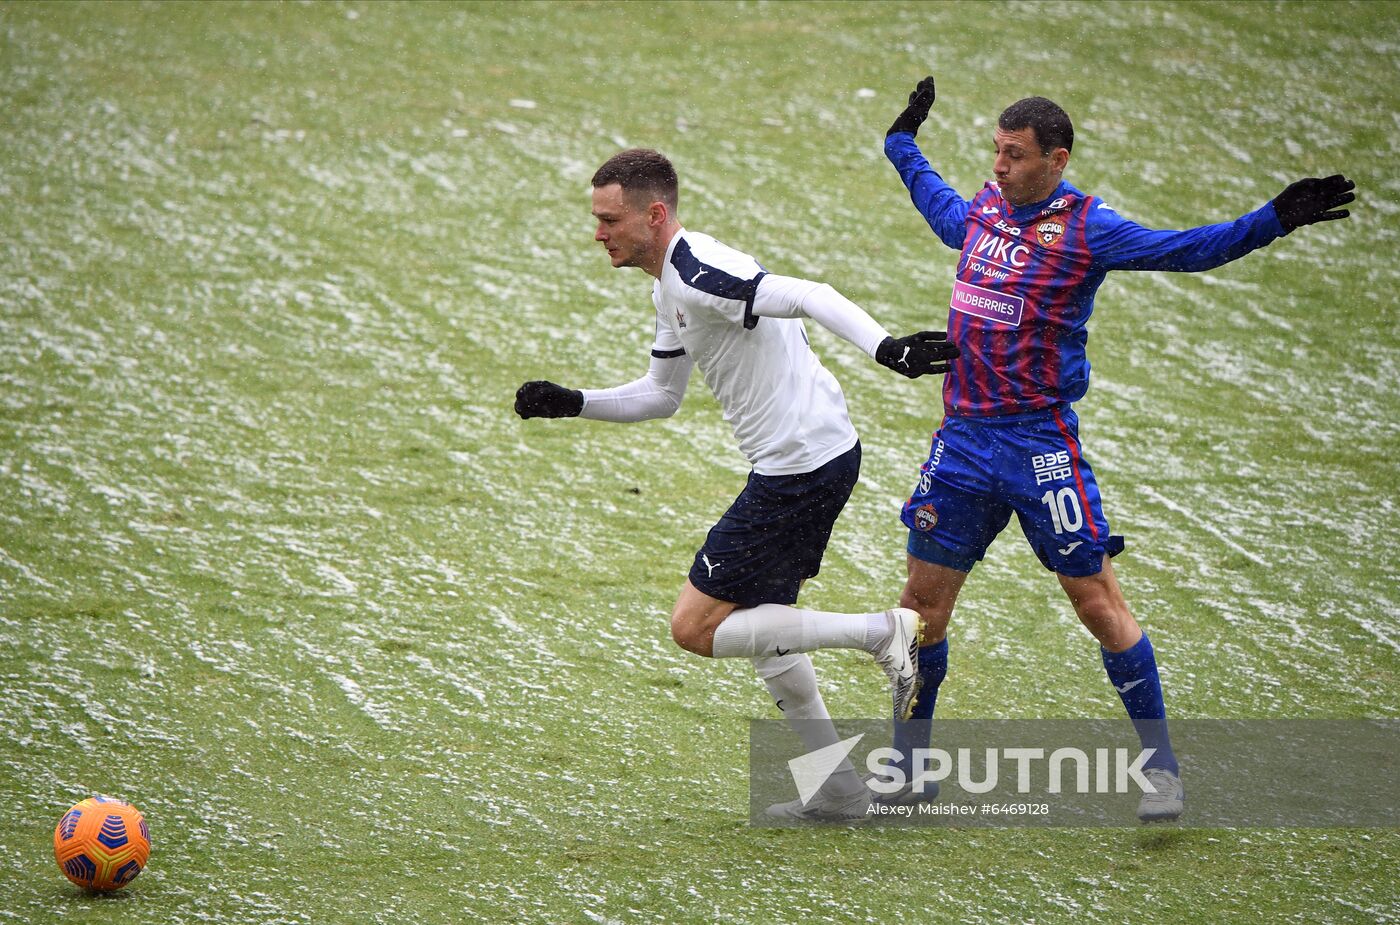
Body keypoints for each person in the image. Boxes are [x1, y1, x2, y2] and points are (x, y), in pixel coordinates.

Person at [878, 77, 1355, 821]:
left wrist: (1272, 221)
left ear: (1056, 160)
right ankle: (911, 767)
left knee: (1095, 600)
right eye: (996, 151)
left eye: (1015, 155)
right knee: (919, 606)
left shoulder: (1088, 229)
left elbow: (1185, 250)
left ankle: (1161, 771)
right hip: (963, 444)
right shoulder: (982, 211)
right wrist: (899, 141)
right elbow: (933, 197)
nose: (999, 166)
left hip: (1040, 447)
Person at [514, 148, 961, 821]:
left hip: (799, 469)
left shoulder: (698, 272)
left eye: (609, 219)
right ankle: (839, 791)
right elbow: (662, 394)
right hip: (806, 459)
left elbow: (809, 294)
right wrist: (571, 401)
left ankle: (879, 633)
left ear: (653, 214)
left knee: (694, 626)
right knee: (762, 631)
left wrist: (887, 349)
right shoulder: (668, 284)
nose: (598, 232)